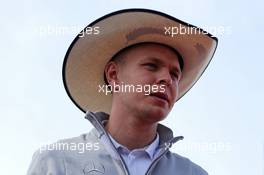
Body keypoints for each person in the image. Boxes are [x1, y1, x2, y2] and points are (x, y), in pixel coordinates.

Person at [27, 9, 218, 175]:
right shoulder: (56, 162)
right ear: (113, 75)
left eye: (175, 74)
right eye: (151, 66)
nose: (167, 79)